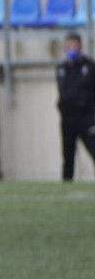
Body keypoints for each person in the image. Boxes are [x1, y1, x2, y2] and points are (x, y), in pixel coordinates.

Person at [58, 32, 95, 181]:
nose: (71, 48)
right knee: (68, 155)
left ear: (80, 46)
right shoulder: (62, 68)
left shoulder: (89, 66)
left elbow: (85, 89)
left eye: (74, 45)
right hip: (68, 119)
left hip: (86, 118)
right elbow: (63, 92)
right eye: (68, 45)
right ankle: (66, 184)